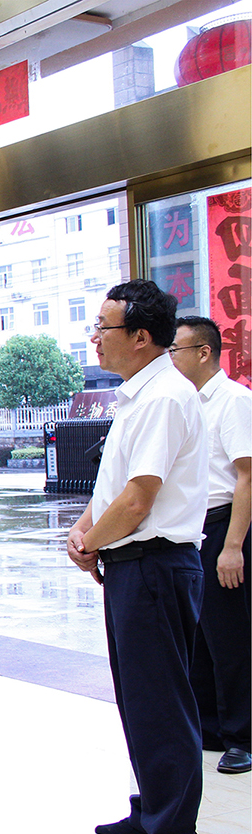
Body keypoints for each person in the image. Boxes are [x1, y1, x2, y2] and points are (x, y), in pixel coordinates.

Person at [66, 278, 209, 834]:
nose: (95, 338)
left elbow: (139, 499)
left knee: (161, 706)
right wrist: (84, 531)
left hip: (153, 564)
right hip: (134, 565)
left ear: (142, 337)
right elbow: (113, 489)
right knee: (140, 701)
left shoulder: (163, 398)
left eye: (104, 327)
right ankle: (153, 812)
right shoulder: (138, 395)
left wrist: (89, 543)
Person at [169, 317, 251, 776]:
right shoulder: (187, 403)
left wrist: (233, 545)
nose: (170, 358)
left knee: (231, 638)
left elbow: (247, 476)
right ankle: (211, 728)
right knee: (198, 636)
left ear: (204, 352)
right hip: (192, 530)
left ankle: (243, 737)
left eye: (175, 350)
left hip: (224, 528)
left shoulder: (233, 400)